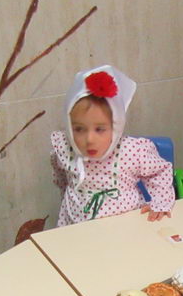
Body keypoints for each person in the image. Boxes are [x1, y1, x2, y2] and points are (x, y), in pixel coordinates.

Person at [51, 65, 174, 226]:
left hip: (125, 228)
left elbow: (160, 171)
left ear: (116, 126)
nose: (89, 139)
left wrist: (160, 203)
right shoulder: (65, 148)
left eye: (100, 129)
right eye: (79, 129)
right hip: (76, 227)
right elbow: (61, 177)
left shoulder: (132, 152)